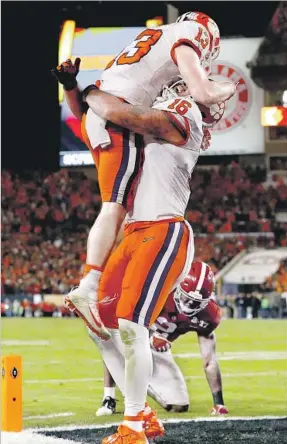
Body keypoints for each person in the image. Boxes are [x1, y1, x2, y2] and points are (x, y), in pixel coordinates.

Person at [52, 11, 236, 338]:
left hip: (110, 133)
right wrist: (226, 86)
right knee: (113, 207)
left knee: (115, 211)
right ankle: (90, 286)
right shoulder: (184, 53)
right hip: (149, 218)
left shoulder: (181, 119)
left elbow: (120, 115)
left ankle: (96, 292)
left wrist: (84, 93)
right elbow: (124, 114)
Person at [80, 79, 226, 443]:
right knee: (98, 319)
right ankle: (141, 407)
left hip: (164, 229)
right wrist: (72, 91)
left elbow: (117, 112)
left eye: (177, 84)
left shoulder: (185, 113)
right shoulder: (158, 119)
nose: (168, 88)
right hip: (133, 232)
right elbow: (95, 121)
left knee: (132, 325)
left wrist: (90, 92)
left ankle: (132, 425)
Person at [92, 261, 228, 418]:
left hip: (160, 349)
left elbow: (209, 360)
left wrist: (219, 403)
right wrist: (150, 337)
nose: (189, 305)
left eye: (196, 302)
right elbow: (124, 324)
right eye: (186, 298)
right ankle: (109, 397)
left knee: (178, 405)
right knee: (116, 340)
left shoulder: (209, 315)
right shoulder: (159, 290)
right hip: (136, 337)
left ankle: (137, 383)